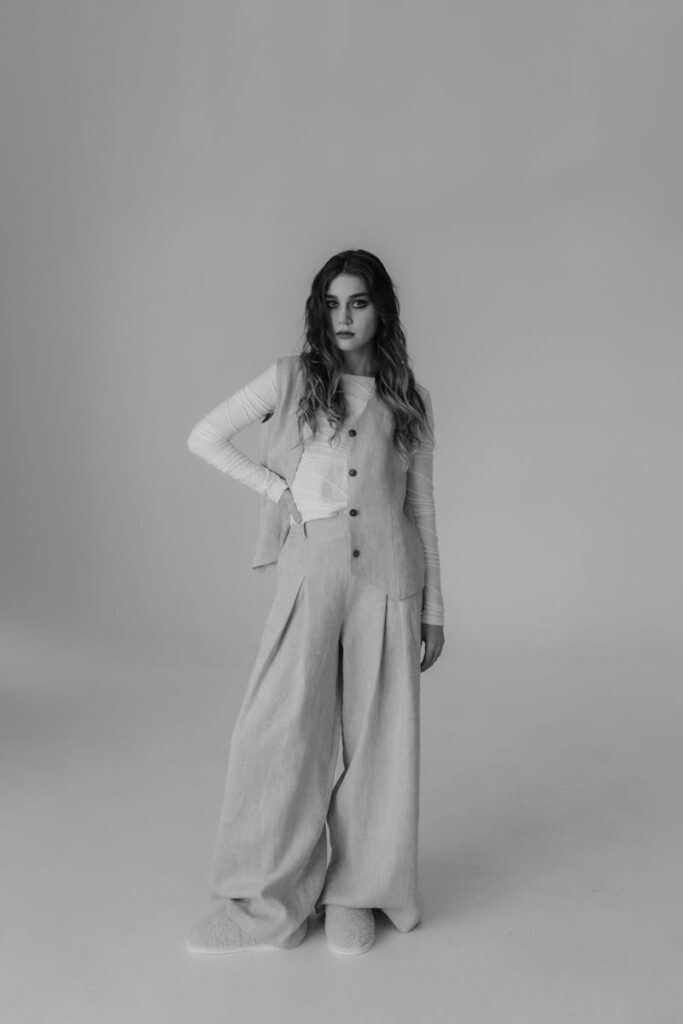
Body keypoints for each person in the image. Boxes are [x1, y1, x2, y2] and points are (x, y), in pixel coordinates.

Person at [185, 249, 445, 956]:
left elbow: (419, 506)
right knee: (277, 733)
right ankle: (264, 902)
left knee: (377, 738)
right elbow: (203, 435)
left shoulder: (407, 398)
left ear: (381, 307)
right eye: (331, 304)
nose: (342, 317)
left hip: (391, 574)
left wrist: (434, 610)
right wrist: (279, 494)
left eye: (357, 302)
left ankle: (356, 894)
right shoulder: (291, 378)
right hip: (313, 564)